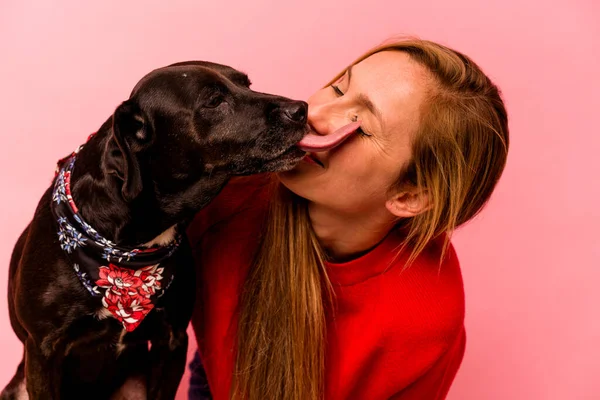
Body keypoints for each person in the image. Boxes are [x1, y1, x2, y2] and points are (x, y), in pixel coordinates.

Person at [186, 37, 509, 400]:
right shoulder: (220, 192)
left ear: (410, 195)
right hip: (220, 371)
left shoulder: (426, 317)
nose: (314, 114)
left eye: (361, 124)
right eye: (339, 87)